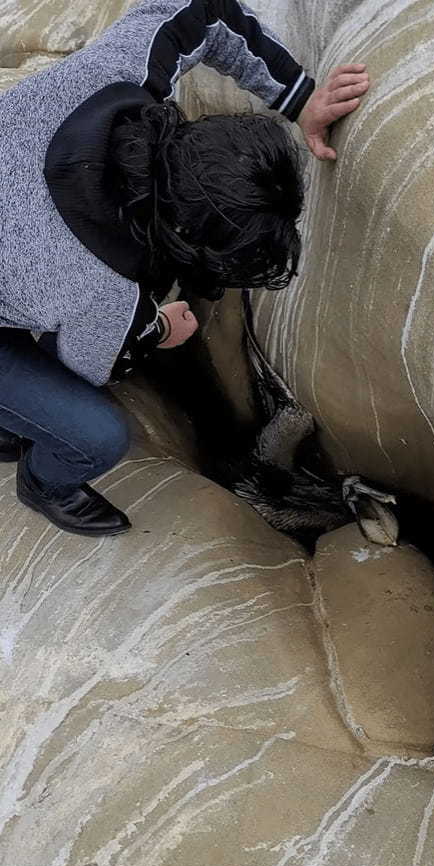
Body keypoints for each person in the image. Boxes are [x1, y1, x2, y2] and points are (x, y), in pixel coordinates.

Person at [0, 0, 369, 537]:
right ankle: (44, 481)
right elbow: (79, 369)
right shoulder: (102, 291)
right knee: (94, 435)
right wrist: (155, 329)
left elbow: (203, 10)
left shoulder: (115, 76)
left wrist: (301, 96)